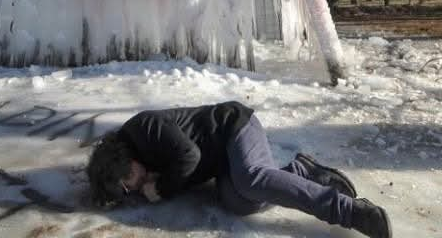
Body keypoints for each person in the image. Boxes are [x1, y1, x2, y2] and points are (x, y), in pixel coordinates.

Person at [87, 101, 391, 238]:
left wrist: (163, 186)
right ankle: (301, 171)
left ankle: (351, 211)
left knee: (251, 178)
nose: (135, 187)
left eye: (128, 182)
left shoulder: (143, 127)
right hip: (222, 161)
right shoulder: (137, 161)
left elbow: (189, 156)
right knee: (238, 202)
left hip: (234, 127)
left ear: (121, 160)